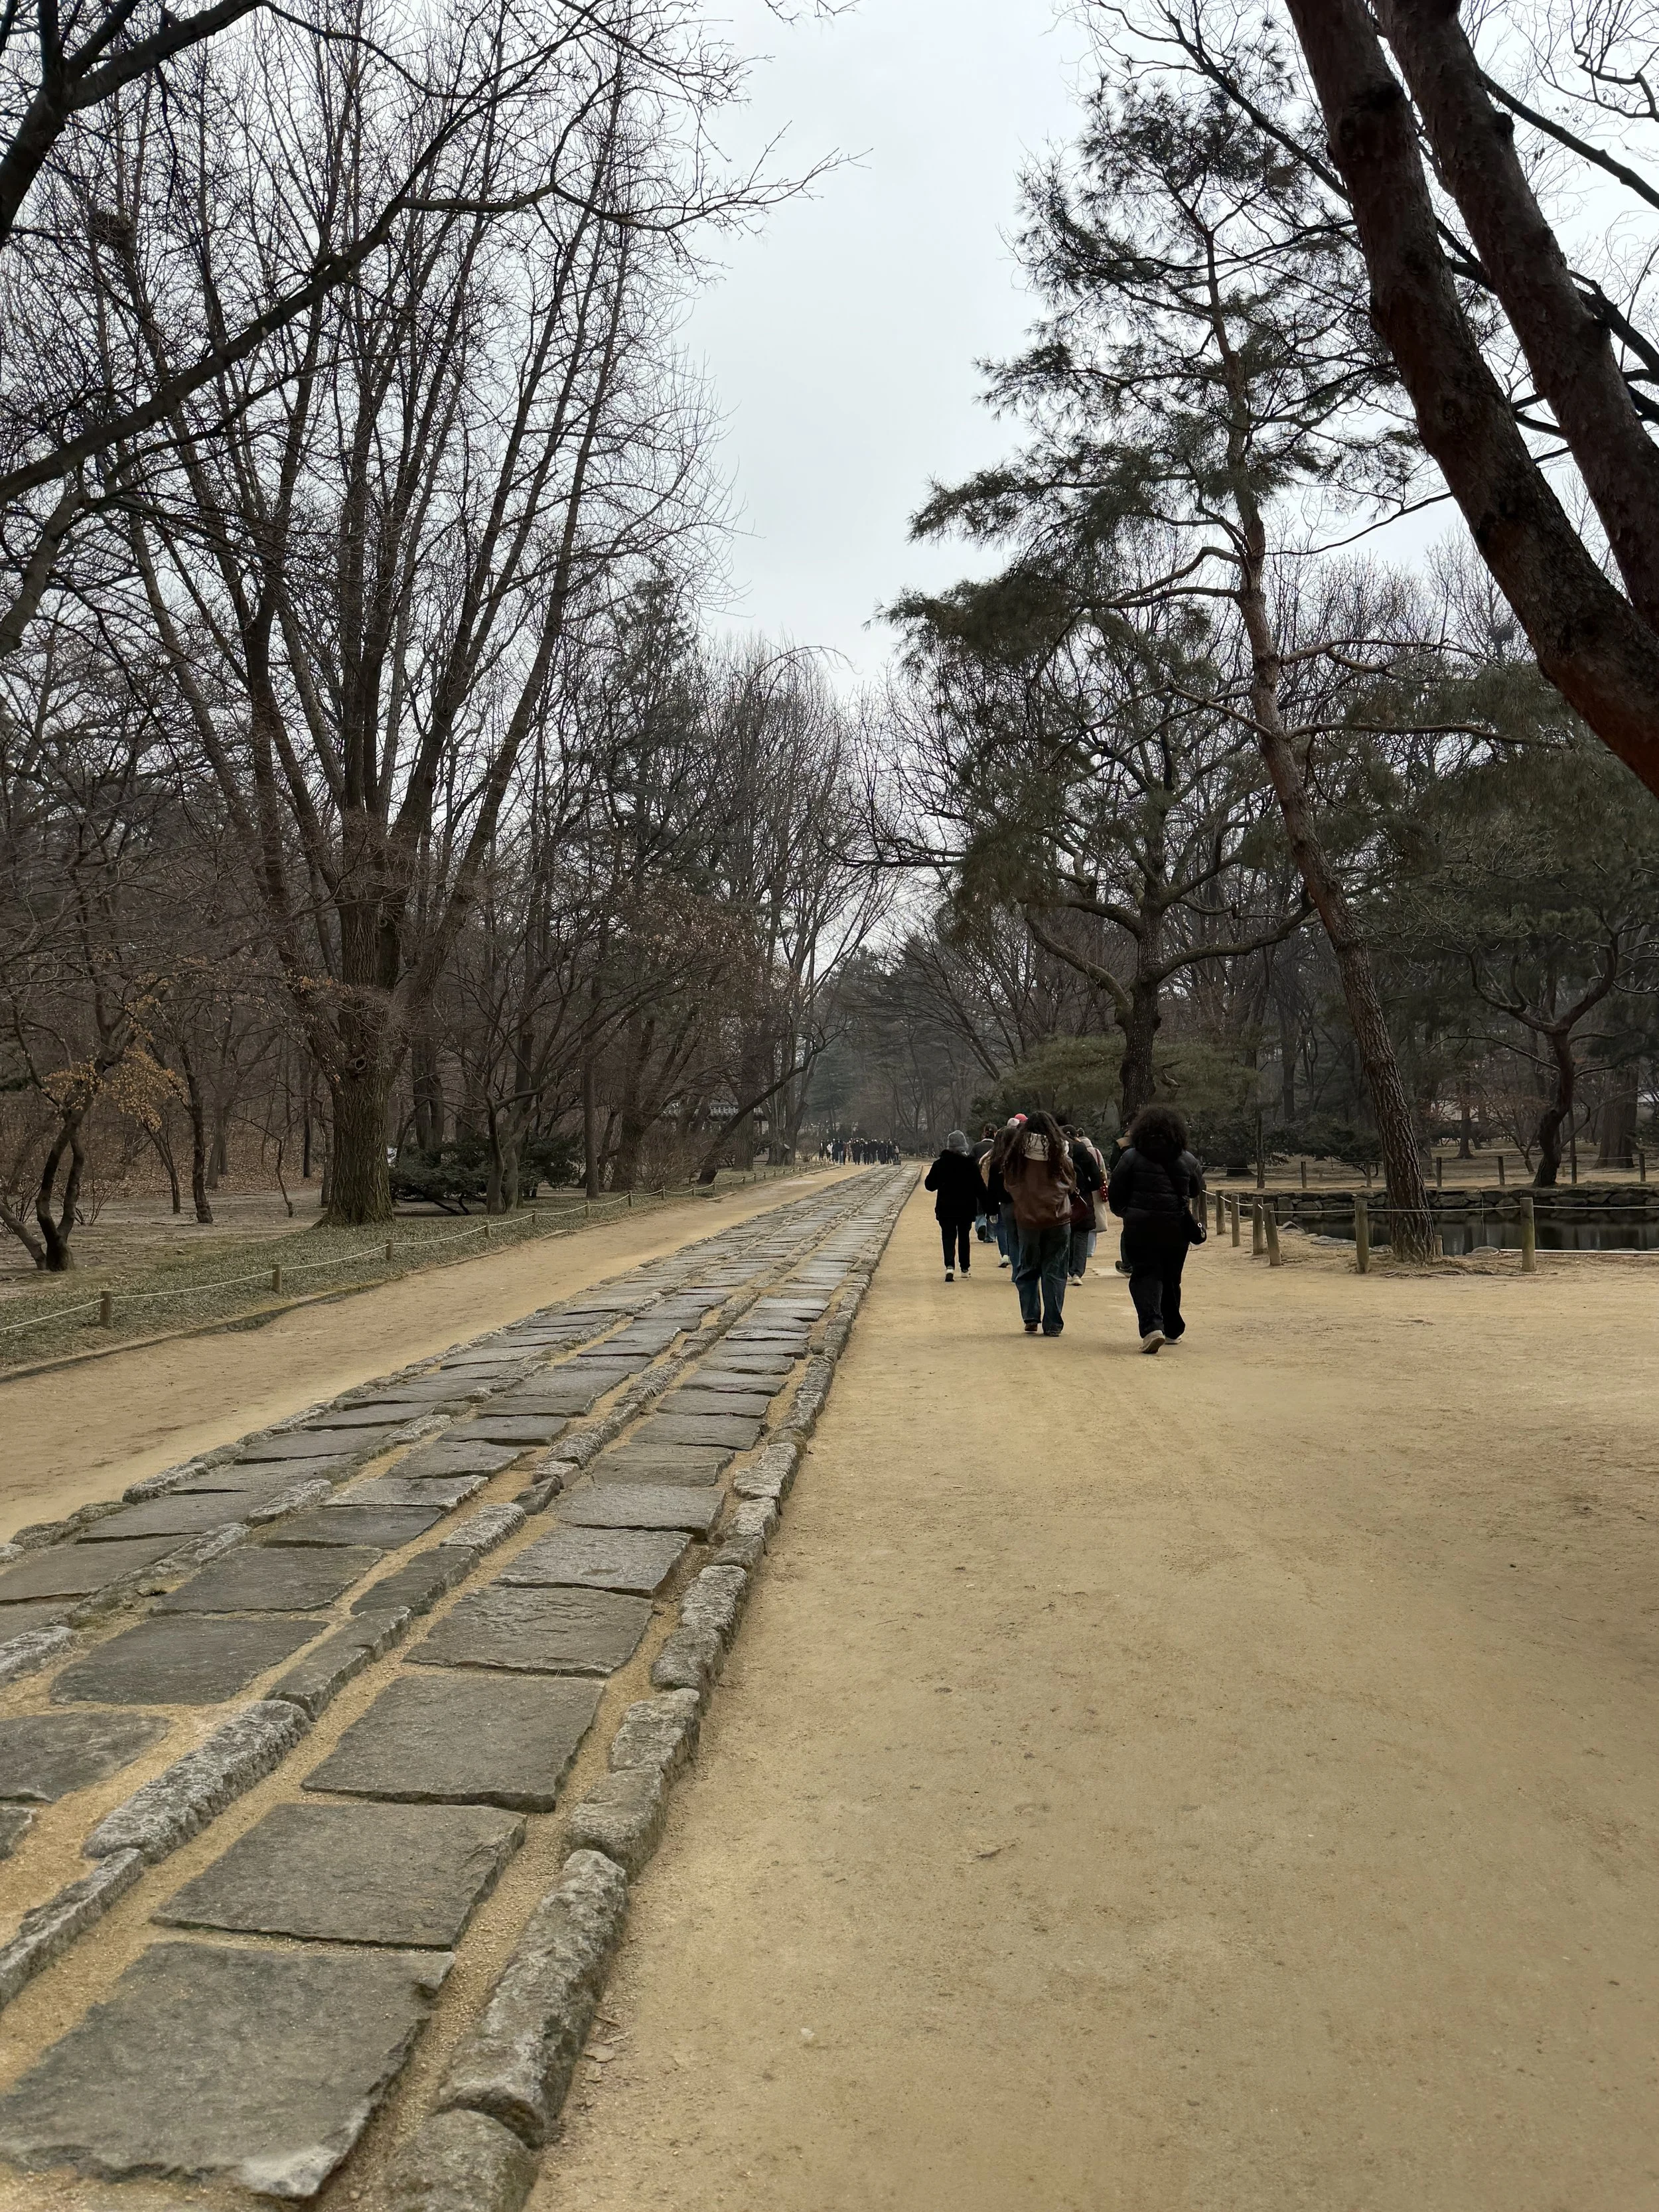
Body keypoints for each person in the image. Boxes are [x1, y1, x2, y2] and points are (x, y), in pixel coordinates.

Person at [1107, 1104, 1207, 1352]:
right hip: (1176, 1228)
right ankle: (1173, 1330)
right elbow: (1196, 1190)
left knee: (1144, 1276)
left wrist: (1126, 1213)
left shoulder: (1130, 1157)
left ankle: (1152, 1327)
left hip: (1140, 1227)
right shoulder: (1188, 1159)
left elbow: (1116, 1192)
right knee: (1171, 1278)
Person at [1003, 1109, 1076, 1336]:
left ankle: (1030, 1316)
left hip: (1027, 1218)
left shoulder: (1018, 1154)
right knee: (1055, 1271)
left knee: (1027, 1269)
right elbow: (1071, 1183)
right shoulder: (1060, 1152)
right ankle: (1053, 1323)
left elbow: (1009, 1182)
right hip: (1058, 1219)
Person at [924, 1130, 985, 1281]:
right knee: (964, 1236)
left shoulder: (940, 1164)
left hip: (946, 1207)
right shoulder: (970, 1164)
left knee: (948, 1236)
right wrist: (989, 1205)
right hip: (966, 1206)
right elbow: (980, 1188)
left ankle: (949, 1266)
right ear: (964, 1145)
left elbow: (929, 1185)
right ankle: (965, 1267)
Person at [1064, 1124, 1106, 1282]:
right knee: (1081, 1234)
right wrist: (1086, 1187)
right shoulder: (1085, 1152)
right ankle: (1077, 1272)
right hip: (1082, 1198)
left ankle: (1066, 1268)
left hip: (1062, 1198)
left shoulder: (1057, 1152)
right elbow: (1097, 1178)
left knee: (1065, 1234)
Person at [971, 1122, 998, 1242]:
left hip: (979, 1182)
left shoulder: (977, 1147)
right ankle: (991, 1235)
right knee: (993, 1210)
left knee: (980, 1208)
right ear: (995, 1133)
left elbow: (971, 1164)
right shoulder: (998, 1148)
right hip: (994, 1182)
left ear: (984, 1133)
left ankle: (981, 1225)